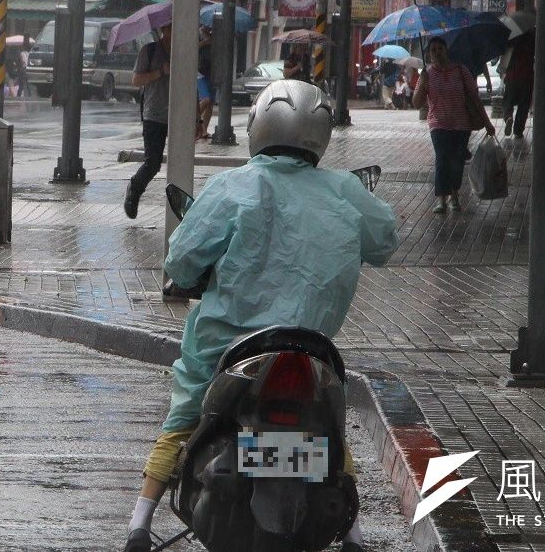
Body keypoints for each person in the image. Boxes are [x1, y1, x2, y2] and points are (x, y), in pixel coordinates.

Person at [123, 80, 400, 552]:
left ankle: (140, 526)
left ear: (258, 125)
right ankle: (355, 534)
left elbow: (181, 260)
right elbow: (385, 242)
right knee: (327, 422)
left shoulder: (232, 185)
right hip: (311, 346)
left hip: (228, 349)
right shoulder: (345, 190)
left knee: (186, 412)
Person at [411, 36, 496, 214]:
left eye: (439, 49)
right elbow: (417, 104)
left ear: (446, 50)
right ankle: (441, 199)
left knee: (457, 162)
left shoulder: (461, 71)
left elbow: (474, 98)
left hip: (461, 124)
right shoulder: (426, 74)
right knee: (442, 158)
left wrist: (487, 123)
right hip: (438, 124)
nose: (437, 52)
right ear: (429, 55)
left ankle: (454, 195)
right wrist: (422, 85)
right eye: (433, 50)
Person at [123, 23, 171, 219]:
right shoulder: (149, 51)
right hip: (154, 114)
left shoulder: (186, 51)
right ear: (163, 29)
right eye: (170, 27)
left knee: (182, 163)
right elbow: (136, 80)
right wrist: (160, 71)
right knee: (153, 162)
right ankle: (134, 189)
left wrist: (197, 121)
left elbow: (191, 85)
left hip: (178, 116)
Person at [500, 31, 535, 137]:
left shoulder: (511, 37)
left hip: (512, 76)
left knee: (508, 102)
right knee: (523, 106)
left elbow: (504, 54)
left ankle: (508, 117)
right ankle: (518, 131)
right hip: (527, 77)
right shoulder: (532, 37)